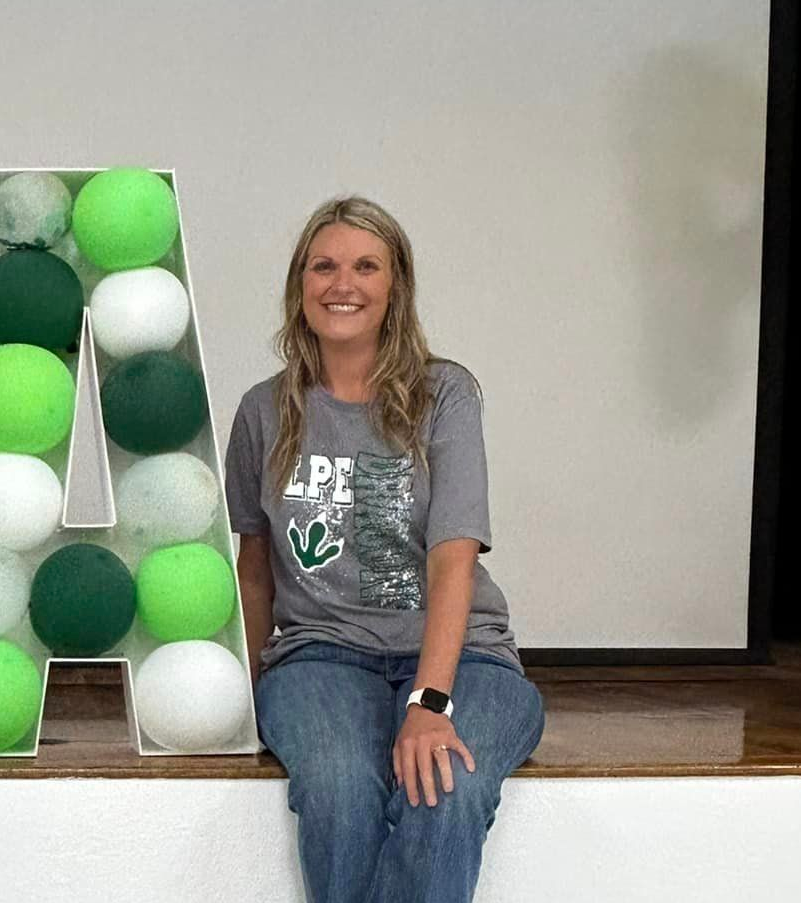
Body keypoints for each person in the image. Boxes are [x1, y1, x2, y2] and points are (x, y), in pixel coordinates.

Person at [224, 197, 545, 902]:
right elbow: (253, 572)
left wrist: (430, 702)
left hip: (465, 659)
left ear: (395, 285)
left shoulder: (445, 395)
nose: (345, 283)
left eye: (367, 266)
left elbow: (452, 557)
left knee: (444, 785)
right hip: (320, 654)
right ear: (299, 285)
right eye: (325, 265)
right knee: (339, 790)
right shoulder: (262, 411)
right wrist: (240, 701)